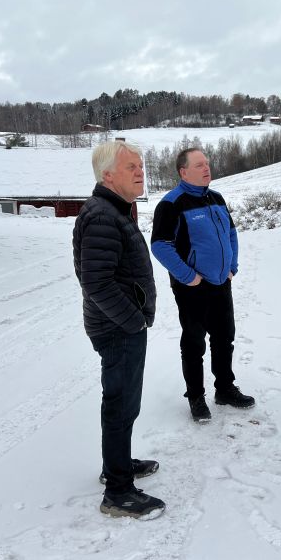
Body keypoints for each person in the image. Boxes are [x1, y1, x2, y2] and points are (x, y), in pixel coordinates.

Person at [73, 140, 165, 519]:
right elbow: (95, 281)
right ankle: (118, 491)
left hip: (122, 324)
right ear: (108, 175)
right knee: (120, 403)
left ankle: (119, 463)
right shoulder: (102, 215)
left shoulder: (116, 210)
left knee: (126, 402)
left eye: (141, 165)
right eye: (132, 167)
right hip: (117, 327)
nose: (140, 172)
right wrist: (132, 319)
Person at [150, 148, 255, 423]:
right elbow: (160, 245)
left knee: (224, 338)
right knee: (194, 343)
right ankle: (196, 397)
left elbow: (231, 233)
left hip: (221, 282)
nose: (207, 168)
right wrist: (188, 276)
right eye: (199, 165)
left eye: (207, 163)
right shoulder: (172, 203)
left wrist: (232, 266)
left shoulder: (216, 198)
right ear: (184, 172)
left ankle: (225, 389)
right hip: (193, 287)